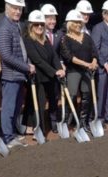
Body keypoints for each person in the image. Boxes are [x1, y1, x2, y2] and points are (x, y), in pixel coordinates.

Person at [0, 0, 35, 149]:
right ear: (7, 8)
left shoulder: (15, 25)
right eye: (14, 8)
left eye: (20, 9)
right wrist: (26, 66)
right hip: (11, 75)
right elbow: (6, 55)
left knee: (17, 107)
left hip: (19, 74)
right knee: (9, 108)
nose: (18, 12)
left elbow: (21, 49)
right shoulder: (4, 28)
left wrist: (27, 64)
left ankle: (11, 134)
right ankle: (7, 137)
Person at [22, 10, 65, 137]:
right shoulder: (28, 40)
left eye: (41, 24)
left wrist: (60, 68)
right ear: (31, 26)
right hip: (38, 78)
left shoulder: (45, 38)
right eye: (36, 24)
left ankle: (41, 126)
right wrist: (54, 71)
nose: (40, 27)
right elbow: (37, 60)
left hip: (50, 76)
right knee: (39, 104)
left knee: (52, 100)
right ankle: (39, 129)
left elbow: (54, 56)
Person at [60, 9, 98, 133]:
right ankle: (69, 121)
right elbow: (69, 57)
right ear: (69, 23)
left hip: (87, 72)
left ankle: (83, 122)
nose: (78, 24)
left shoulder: (87, 37)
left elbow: (94, 52)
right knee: (71, 96)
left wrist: (94, 62)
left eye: (79, 22)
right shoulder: (65, 39)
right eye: (75, 22)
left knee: (87, 96)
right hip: (73, 71)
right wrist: (86, 64)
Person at [91, 0, 108, 128]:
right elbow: (95, 49)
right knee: (101, 93)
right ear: (103, 14)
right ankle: (100, 118)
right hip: (103, 67)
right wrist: (105, 63)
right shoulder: (98, 28)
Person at [40, 3, 64, 133]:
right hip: (42, 73)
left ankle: (53, 121)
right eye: (49, 18)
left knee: (54, 98)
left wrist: (61, 64)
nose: (52, 21)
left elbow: (59, 53)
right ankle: (42, 124)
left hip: (55, 73)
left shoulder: (58, 34)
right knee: (42, 99)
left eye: (54, 18)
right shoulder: (36, 34)